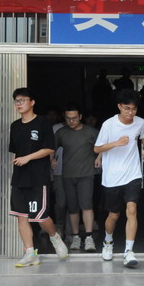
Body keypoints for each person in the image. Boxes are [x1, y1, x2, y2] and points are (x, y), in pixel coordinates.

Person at [8, 88, 68, 267]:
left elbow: (49, 148)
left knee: (40, 217)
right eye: (16, 101)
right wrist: (19, 160)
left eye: (22, 100)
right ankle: (29, 253)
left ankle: (54, 237)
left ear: (32, 102)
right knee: (21, 216)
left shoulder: (43, 122)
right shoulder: (15, 126)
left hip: (38, 177)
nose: (19, 104)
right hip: (19, 177)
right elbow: (16, 151)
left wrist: (28, 158)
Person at [94, 89, 144, 267]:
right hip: (112, 177)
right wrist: (116, 143)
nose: (130, 113)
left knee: (132, 209)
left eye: (134, 109)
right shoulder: (108, 125)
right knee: (114, 214)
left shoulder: (140, 122)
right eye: (127, 108)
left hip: (133, 173)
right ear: (119, 106)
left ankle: (129, 251)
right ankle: (108, 241)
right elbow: (97, 148)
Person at [55, 104, 100, 252]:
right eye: (68, 118)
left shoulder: (91, 132)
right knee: (72, 207)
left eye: (74, 118)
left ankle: (89, 237)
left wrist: (99, 157)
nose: (71, 121)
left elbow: (102, 146)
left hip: (87, 174)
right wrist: (51, 159)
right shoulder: (61, 133)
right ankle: (75, 237)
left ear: (80, 117)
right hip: (68, 175)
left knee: (87, 205)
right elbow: (50, 147)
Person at [47, 107, 66, 238]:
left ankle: (70, 231)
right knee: (60, 202)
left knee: (73, 203)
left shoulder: (80, 129)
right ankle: (58, 226)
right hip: (58, 170)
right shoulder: (55, 128)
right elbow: (50, 149)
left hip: (75, 170)